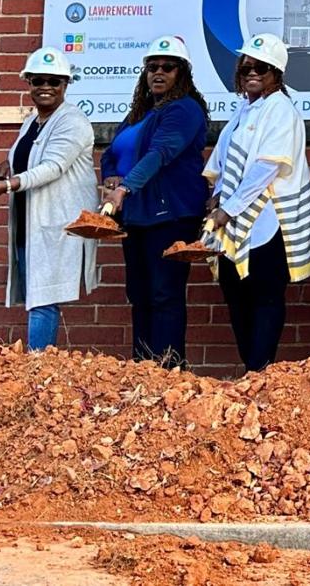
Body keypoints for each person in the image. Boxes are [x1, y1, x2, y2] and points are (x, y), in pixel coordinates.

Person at [203, 34, 310, 373]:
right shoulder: (245, 108)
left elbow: (266, 167)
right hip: (235, 220)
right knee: (235, 293)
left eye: (262, 68)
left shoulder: (281, 109)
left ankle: (259, 371)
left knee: (264, 296)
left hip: (269, 220)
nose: (252, 73)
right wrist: (217, 195)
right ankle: (252, 370)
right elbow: (226, 161)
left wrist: (229, 208)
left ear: (276, 73)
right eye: (247, 66)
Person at [0, 49, 98, 350]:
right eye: (38, 80)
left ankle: (38, 369)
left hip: (56, 224)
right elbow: (31, 157)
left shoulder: (73, 121)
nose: (45, 87)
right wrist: (7, 167)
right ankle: (38, 367)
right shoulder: (33, 121)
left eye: (54, 81)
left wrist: (7, 185)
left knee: (43, 299)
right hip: (29, 223)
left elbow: (53, 167)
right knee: (36, 296)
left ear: (66, 85)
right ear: (28, 83)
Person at [102, 35, 210, 368]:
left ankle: (168, 370)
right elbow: (112, 152)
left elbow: (160, 153)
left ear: (183, 73)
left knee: (165, 294)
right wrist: (111, 177)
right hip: (137, 216)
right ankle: (142, 368)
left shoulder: (185, 109)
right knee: (140, 294)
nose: (158, 73)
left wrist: (124, 189)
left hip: (171, 215)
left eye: (168, 67)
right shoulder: (141, 113)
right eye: (152, 67)